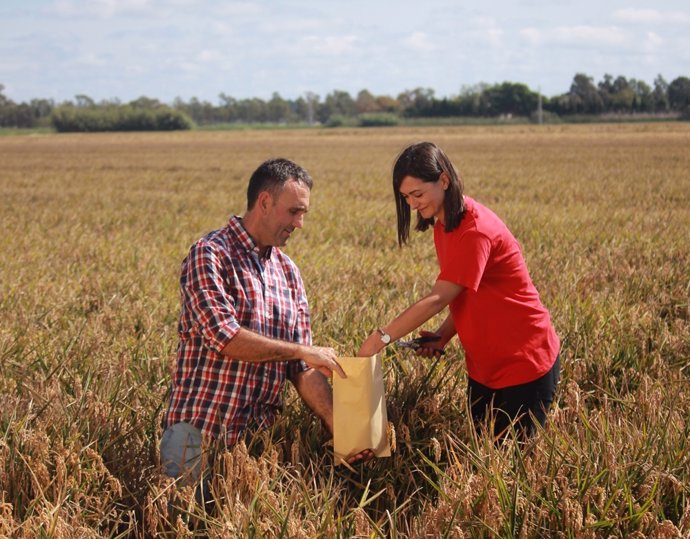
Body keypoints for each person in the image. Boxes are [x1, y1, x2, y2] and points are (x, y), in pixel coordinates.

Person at [161, 158, 365, 500]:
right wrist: (301, 351)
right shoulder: (210, 255)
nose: (299, 224)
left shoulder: (288, 273)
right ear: (265, 203)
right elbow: (225, 338)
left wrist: (338, 422)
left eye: (304, 214)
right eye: (294, 212)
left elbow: (301, 368)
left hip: (255, 445)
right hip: (200, 435)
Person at [358, 142, 560, 441]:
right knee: (485, 454)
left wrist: (381, 338)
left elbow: (438, 298)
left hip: (523, 362)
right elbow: (464, 292)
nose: (412, 204)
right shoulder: (445, 225)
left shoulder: (475, 230)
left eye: (417, 194)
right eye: (405, 197)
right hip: (483, 367)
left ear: (443, 180)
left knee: (513, 466)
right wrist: (443, 335)